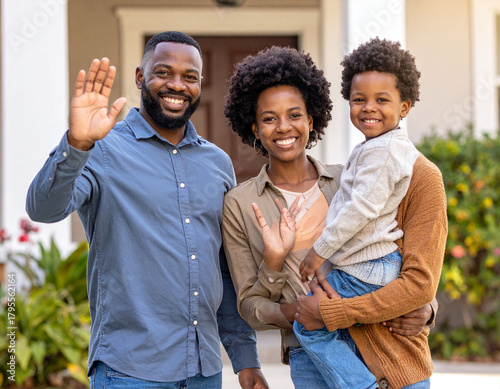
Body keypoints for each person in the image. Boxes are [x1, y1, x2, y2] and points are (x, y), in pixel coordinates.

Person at [26, 31, 268, 389]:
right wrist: (77, 143)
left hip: (204, 371)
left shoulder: (217, 163)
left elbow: (224, 267)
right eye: (163, 72)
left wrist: (246, 359)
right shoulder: (102, 149)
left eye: (189, 77)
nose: (176, 85)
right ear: (140, 77)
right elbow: (43, 209)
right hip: (129, 370)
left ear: (200, 84)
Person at [222, 45, 444, 389]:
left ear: (311, 120)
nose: (284, 128)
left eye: (295, 115)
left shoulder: (354, 180)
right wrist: (275, 266)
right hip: (309, 355)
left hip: (384, 345)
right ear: (254, 127)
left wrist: (428, 308)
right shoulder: (240, 203)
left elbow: (403, 263)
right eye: (269, 118)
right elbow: (250, 305)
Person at [295, 39, 448, 389]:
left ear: (405, 107)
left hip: (390, 365)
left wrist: (331, 313)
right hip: (319, 365)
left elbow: (420, 285)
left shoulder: (421, 177)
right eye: (359, 99)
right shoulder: (349, 167)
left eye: (383, 99)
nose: (369, 108)